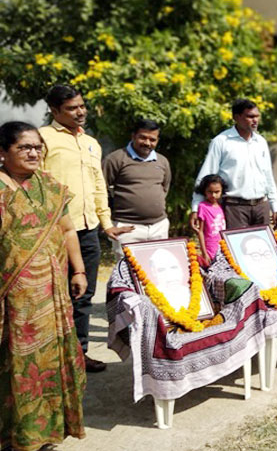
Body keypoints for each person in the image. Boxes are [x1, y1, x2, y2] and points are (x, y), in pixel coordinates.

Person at [0, 121, 87, 451]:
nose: (34, 152)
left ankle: (46, 433)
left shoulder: (50, 186)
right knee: (16, 366)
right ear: (3, 152)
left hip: (52, 297)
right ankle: (17, 437)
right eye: (24, 147)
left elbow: (68, 230)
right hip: (12, 301)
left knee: (50, 362)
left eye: (37, 147)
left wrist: (79, 271)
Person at [39, 84, 133, 372]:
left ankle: (78, 356)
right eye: (71, 108)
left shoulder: (91, 142)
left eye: (81, 106)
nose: (80, 112)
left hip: (88, 229)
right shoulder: (43, 139)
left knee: (83, 295)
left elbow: (98, 186)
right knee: (51, 296)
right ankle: (49, 358)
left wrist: (106, 223)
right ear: (54, 110)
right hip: (53, 231)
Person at [190, 98, 277, 233]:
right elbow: (206, 176)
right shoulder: (221, 142)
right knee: (237, 245)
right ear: (237, 117)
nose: (255, 120)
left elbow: (268, 175)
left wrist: (274, 206)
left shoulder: (260, 142)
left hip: (261, 206)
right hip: (234, 208)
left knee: (262, 245)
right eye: (250, 117)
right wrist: (196, 208)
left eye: (257, 116)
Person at [103, 118, 171, 256]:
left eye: (152, 140)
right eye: (143, 138)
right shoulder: (116, 159)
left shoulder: (162, 161)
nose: (147, 143)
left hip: (159, 226)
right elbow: (100, 189)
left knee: (157, 266)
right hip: (127, 227)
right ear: (133, 136)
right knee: (128, 267)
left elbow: (165, 188)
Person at [195, 174, 228, 266]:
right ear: (204, 191)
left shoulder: (222, 206)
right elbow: (200, 231)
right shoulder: (203, 207)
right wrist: (204, 253)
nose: (213, 195)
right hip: (210, 248)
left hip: (223, 248)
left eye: (217, 192)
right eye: (210, 192)